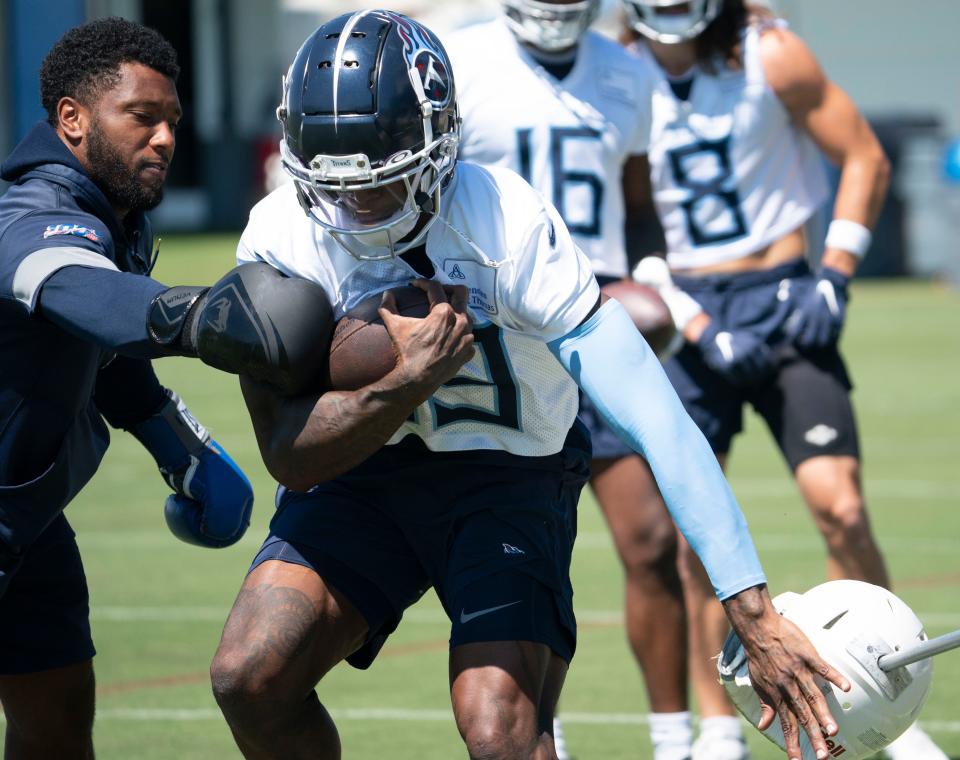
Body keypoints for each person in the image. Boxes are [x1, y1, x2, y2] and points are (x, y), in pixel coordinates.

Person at [209, 10, 853, 760]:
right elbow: (290, 456)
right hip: (364, 476)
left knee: (500, 728)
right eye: (334, 186)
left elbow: (657, 416)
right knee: (247, 675)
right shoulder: (278, 234)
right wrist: (403, 385)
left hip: (511, 475)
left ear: (437, 144)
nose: (354, 210)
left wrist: (754, 611)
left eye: (380, 186)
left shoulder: (506, 224)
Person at [620, 1, 947, 758]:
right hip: (686, 311)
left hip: (783, 294)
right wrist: (690, 319)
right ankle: (715, 726)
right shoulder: (618, 77)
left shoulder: (770, 52)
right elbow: (623, 220)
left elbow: (864, 153)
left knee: (842, 508)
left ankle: (890, 703)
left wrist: (834, 273)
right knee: (692, 539)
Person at [0, 18, 262, 758]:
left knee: (56, 730)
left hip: (28, 518)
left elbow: (107, 362)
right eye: (141, 118)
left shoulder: (115, 215)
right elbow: (88, 299)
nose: (165, 138)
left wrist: (184, 450)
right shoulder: (32, 210)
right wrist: (205, 314)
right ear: (72, 120)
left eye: (172, 120)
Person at [447, 3, 690, 758]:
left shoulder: (627, 70)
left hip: (597, 316)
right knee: (525, 548)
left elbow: (640, 202)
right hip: (506, 329)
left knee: (649, 540)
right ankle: (542, 728)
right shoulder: (456, 61)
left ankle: (673, 737)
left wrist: (653, 273)